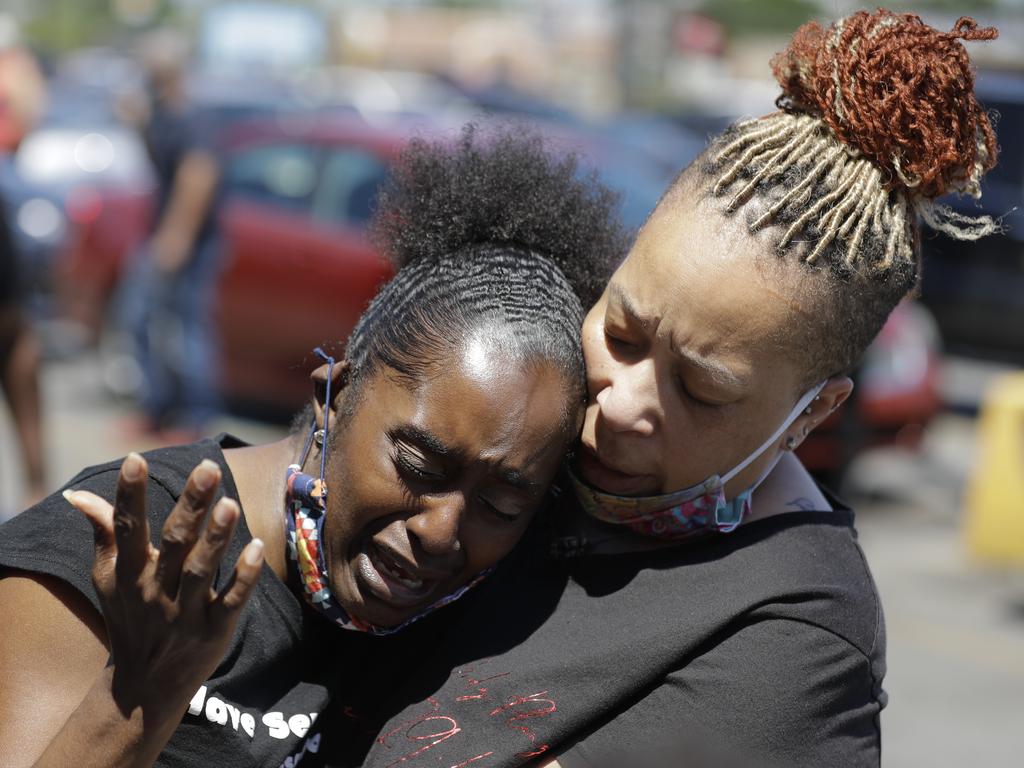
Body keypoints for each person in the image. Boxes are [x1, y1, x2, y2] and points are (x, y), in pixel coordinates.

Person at [358, 11, 1000, 768]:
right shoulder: (513, 430)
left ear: (811, 413)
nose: (622, 405)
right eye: (622, 334)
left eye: (699, 391)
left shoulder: (794, 647)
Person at [0, 127, 627, 767]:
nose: (442, 532)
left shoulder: (457, 630)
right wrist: (138, 693)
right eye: (419, 466)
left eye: (500, 508)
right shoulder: (123, 561)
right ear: (336, 397)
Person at [116, 32, 223, 436]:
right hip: (161, 234)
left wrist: (177, 235)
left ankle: (197, 417)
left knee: (188, 331)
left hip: (190, 244)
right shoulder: (160, 114)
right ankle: (157, 408)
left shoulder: (189, 116)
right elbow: (158, 165)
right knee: (143, 321)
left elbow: (199, 175)